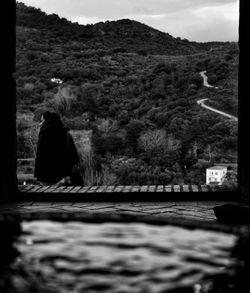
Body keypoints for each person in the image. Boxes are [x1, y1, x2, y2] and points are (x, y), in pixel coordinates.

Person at [34, 111, 83, 186]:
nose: (40, 124)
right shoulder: (67, 134)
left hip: (48, 178)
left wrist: (39, 176)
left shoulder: (44, 133)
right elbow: (74, 157)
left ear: (47, 121)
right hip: (65, 177)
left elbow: (40, 155)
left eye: (42, 121)